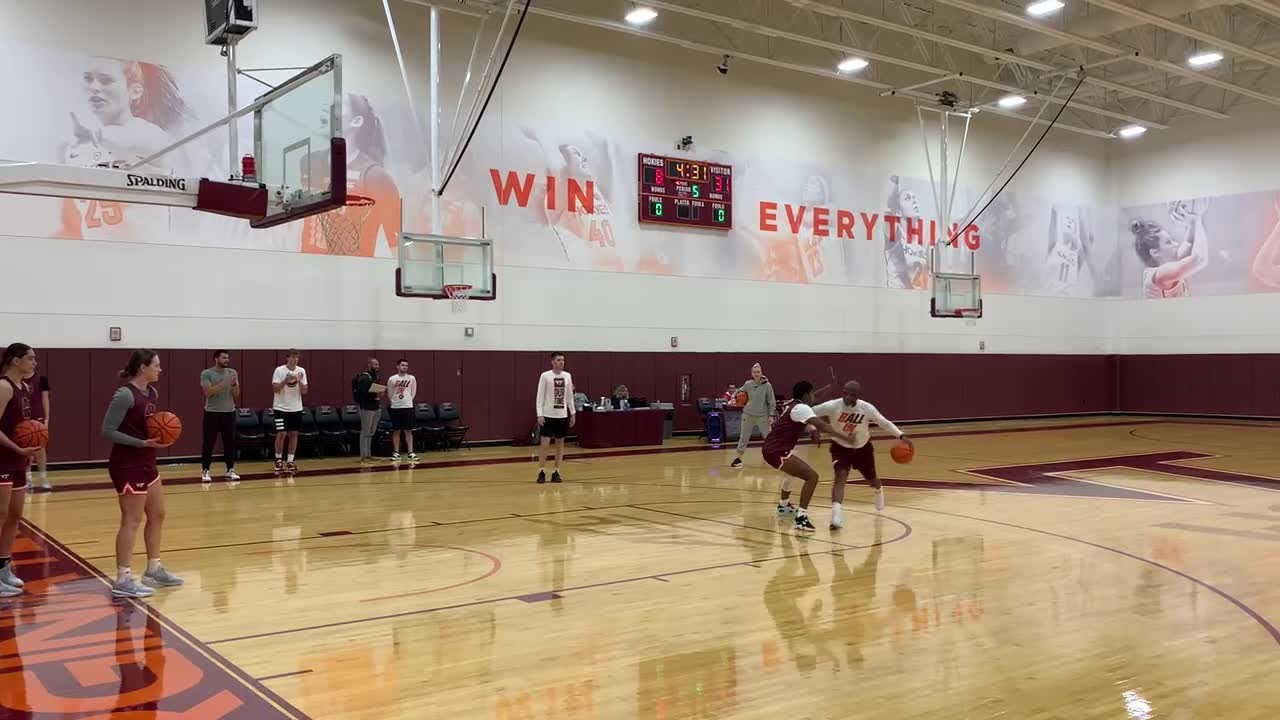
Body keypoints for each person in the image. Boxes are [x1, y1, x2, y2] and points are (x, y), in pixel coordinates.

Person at [101, 349, 183, 599]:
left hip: (147, 462)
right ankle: (123, 578)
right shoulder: (125, 395)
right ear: (142, 368)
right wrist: (141, 443)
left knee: (158, 514)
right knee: (131, 520)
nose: (160, 369)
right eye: (156, 365)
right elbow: (107, 430)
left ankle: (153, 569)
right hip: (127, 463)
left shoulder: (152, 393)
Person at [812, 381, 913, 528]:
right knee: (840, 477)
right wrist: (812, 427)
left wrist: (901, 435)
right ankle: (836, 516)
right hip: (840, 448)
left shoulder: (866, 408)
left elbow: (883, 422)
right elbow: (810, 412)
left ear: (857, 396)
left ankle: (878, 489)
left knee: (872, 480)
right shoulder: (833, 406)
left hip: (862, 449)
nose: (847, 396)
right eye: (844, 393)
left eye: (851, 394)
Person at [761, 381, 853, 532]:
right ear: (805, 395)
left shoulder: (793, 404)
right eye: (811, 393)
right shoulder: (802, 408)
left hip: (772, 449)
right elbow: (824, 426)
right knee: (812, 477)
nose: (813, 396)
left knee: (793, 473)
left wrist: (827, 388)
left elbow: (814, 401)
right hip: (776, 451)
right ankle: (801, 518)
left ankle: (784, 506)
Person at [0, 344, 40, 596]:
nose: (34, 363)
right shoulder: (3, 387)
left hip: (19, 459)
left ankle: (4, 566)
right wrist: (16, 447)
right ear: (15, 361)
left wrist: (31, 446)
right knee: (0, 513)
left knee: (15, 514)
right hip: (2, 459)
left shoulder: (26, 388)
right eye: (30, 358)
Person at [1131, 199, 1209, 298]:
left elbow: (1189, 242)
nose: (1176, 244)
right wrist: (1197, 220)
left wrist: (1193, 222)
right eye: (1168, 242)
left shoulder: (1166, 265)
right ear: (1155, 252)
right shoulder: (1160, 275)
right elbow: (1199, 259)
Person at [199, 350, 240, 484]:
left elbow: (236, 394)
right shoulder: (207, 373)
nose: (226, 360)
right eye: (223, 357)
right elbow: (208, 392)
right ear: (216, 359)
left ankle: (230, 470)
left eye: (227, 357)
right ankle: (205, 471)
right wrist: (224, 383)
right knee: (208, 443)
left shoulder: (233, 372)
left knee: (229, 443)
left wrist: (233, 384)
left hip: (229, 412)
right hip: (212, 413)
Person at [535, 352, 575, 484]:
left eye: (563, 360)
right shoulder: (545, 376)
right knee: (545, 444)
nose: (561, 362)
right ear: (552, 362)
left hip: (562, 415)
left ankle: (556, 471)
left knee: (560, 445)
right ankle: (541, 471)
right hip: (548, 415)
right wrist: (539, 413)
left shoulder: (567, 376)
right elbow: (540, 396)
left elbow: (569, 396)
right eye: (558, 360)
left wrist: (572, 412)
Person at [731, 363, 776, 469]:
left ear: (761, 373)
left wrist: (771, 415)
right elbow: (739, 391)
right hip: (748, 414)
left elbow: (772, 401)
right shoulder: (748, 384)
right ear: (752, 373)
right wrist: (734, 397)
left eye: (758, 372)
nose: (756, 374)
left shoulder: (767, 385)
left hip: (762, 416)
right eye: (754, 372)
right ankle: (738, 459)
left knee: (768, 438)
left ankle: (774, 457)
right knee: (744, 437)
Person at [271, 350, 309, 473]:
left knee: (294, 434)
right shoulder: (279, 370)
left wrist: (298, 381)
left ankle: (290, 460)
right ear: (287, 358)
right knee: (281, 433)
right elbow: (275, 389)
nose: (295, 360)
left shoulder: (301, 371)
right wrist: (285, 381)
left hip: (296, 408)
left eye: (297, 357)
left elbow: (304, 391)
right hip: (281, 408)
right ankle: (278, 459)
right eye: (293, 357)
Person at [22, 368, 51, 491]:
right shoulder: (16, 379)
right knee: (24, 449)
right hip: (22, 417)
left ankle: (43, 478)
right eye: (30, 359)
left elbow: (45, 399)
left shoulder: (41, 379)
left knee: (40, 449)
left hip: (37, 417)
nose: (34, 362)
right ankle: (27, 479)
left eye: (34, 360)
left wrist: (47, 418)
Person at [352, 357, 384, 463]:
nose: (377, 367)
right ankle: (363, 456)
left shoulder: (375, 377)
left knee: (371, 432)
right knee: (365, 431)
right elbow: (363, 394)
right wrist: (375, 394)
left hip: (375, 407)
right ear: (369, 365)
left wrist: (379, 392)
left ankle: (369, 454)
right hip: (366, 408)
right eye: (375, 365)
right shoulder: (364, 378)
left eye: (378, 365)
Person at [388, 359, 418, 463]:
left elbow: (413, 391)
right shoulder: (392, 379)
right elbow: (390, 393)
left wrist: (409, 400)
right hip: (395, 407)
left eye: (406, 365)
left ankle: (410, 453)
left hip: (408, 407)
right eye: (403, 365)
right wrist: (394, 401)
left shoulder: (411, 378)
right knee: (396, 430)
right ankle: (396, 453)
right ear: (398, 366)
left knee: (408, 430)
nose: (405, 367)